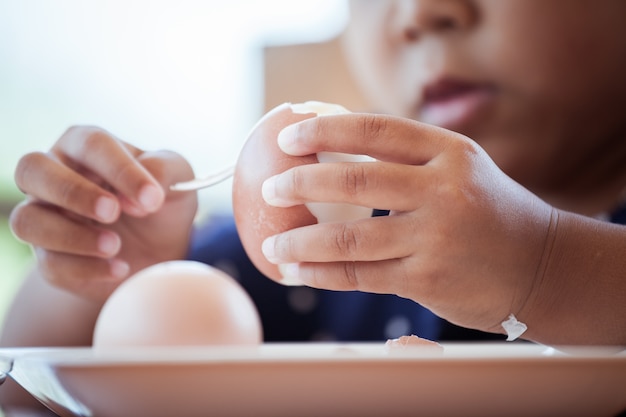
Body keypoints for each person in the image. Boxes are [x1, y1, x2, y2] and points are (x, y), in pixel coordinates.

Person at [2, 0, 626, 407]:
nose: (418, 13)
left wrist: (546, 265)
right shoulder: (330, 250)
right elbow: (23, 396)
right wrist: (110, 277)